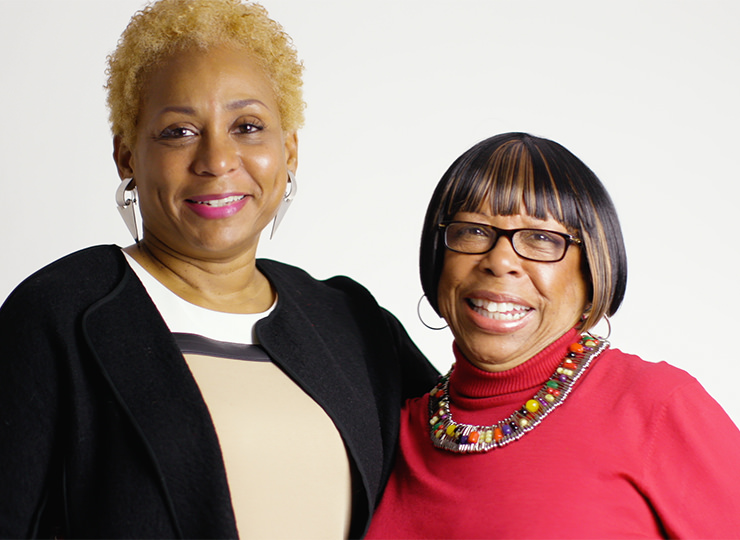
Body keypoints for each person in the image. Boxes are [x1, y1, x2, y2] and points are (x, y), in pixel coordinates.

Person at [0, 1, 438, 538]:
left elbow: (485, 445)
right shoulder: (59, 316)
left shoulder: (351, 322)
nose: (217, 159)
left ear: (289, 150)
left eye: (248, 126)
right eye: (179, 132)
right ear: (127, 157)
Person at [365, 132, 740, 539]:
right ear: (439, 257)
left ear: (593, 267)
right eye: (473, 230)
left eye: (542, 239)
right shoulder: (387, 431)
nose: (500, 260)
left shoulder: (656, 407)